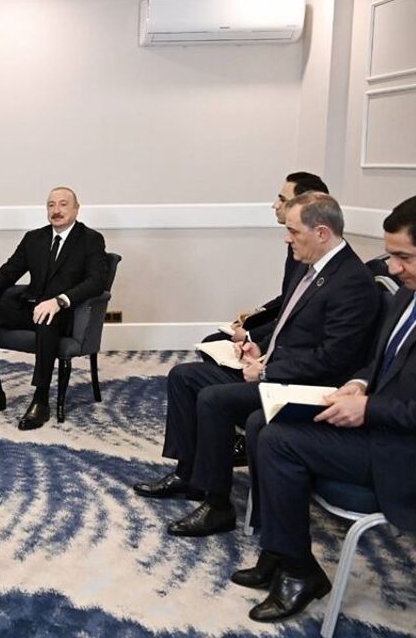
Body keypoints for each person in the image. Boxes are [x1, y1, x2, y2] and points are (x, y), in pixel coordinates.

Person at [234, 192, 416, 623]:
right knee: (264, 421)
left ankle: (298, 572)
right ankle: (279, 552)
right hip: (390, 428)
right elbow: (383, 359)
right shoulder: (414, 290)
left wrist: (370, 410)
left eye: (403, 257)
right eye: (390, 255)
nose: (392, 268)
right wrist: (358, 384)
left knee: (279, 442)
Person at [132, 192, 379, 537]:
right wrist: (258, 346)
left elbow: (333, 358)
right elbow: (289, 325)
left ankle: (218, 505)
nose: (286, 238)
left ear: (322, 232)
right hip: (276, 369)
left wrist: (267, 371)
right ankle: (189, 475)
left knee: (214, 399)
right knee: (184, 376)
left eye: (293, 231)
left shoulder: (352, 282)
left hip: (306, 387)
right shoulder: (310, 266)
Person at [0, 186, 108, 430]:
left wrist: (59, 300)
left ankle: (40, 400)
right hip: (30, 308)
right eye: (51, 205)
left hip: (63, 314)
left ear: (76, 209)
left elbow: (97, 281)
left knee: (46, 318)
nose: (56, 210)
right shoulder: (34, 238)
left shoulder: (90, 239)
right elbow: (10, 270)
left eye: (63, 204)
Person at [210, 172, 330, 345]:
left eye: (282, 200)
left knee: (212, 347)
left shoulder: (320, 254)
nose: (275, 205)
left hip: (295, 342)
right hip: (283, 331)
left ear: (304, 206)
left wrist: (251, 336)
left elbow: (301, 318)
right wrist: (256, 315)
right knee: (212, 342)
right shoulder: (296, 245)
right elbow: (288, 298)